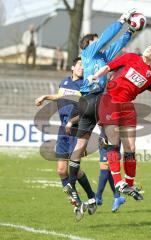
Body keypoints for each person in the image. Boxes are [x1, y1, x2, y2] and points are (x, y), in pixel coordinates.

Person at [89, 43, 151, 200]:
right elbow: (108, 67)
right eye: (149, 47)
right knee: (113, 142)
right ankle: (118, 181)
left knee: (131, 148)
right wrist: (96, 76)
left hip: (127, 107)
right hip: (110, 101)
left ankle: (129, 184)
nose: (149, 49)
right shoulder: (130, 57)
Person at [65, 9, 137, 215]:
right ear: (88, 44)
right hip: (94, 101)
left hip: (88, 102)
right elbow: (107, 37)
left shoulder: (103, 58)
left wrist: (131, 31)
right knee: (111, 139)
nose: (100, 42)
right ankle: (119, 184)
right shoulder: (88, 53)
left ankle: (72, 183)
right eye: (96, 40)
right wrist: (121, 20)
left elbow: (118, 44)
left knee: (82, 145)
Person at [35, 57, 95, 221]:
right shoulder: (65, 82)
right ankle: (78, 202)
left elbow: (87, 109)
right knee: (62, 171)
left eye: (84, 65)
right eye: (80, 65)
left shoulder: (85, 85)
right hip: (63, 130)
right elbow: (60, 96)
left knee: (73, 170)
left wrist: (71, 121)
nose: (82, 68)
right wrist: (45, 96)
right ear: (72, 67)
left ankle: (90, 197)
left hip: (77, 129)